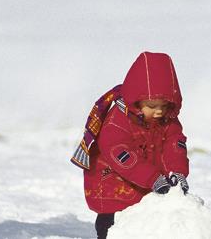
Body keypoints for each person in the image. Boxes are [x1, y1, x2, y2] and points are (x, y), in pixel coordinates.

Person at [77, 52, 189, 239]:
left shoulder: (168, 120)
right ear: (136, 101)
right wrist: (152, 178)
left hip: (147, 181)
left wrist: (176, 172)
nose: (159, 111)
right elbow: (121, 154)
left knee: (145, 222)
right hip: (114, 183)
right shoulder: (117, 121)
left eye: (164, 105)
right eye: (152, 106)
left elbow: (175, 145)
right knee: (113, 224)